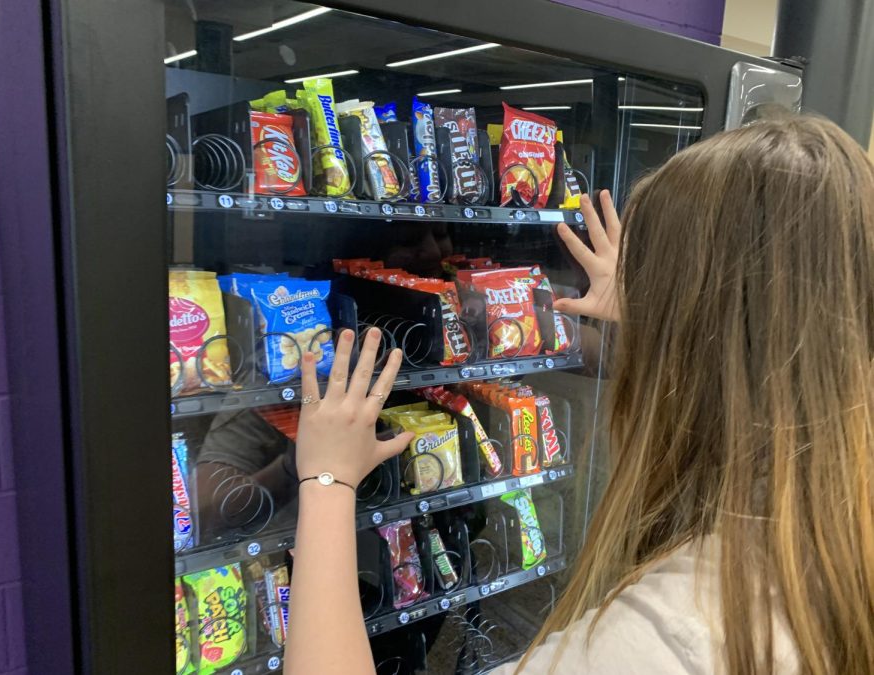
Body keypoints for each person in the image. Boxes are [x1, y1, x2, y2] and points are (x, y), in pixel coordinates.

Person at [282, 115, 874, 675]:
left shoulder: (667, 637)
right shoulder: (831, 527)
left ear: (697, 334)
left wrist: (327, 479)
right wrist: (657, 320)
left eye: (651, 283)